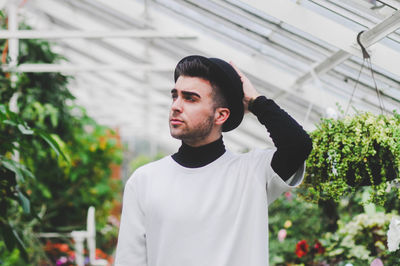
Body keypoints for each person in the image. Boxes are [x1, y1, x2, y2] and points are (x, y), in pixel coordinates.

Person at [115, 55, 313, 266]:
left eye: (190, 98)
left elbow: (298, 145)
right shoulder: (145, 180)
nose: (176, 106)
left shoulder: (252, 173)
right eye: (175, 96)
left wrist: (256, 102)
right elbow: (130, 260)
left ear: (221, 115)